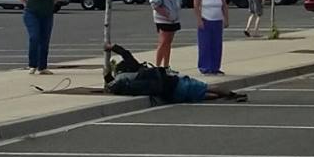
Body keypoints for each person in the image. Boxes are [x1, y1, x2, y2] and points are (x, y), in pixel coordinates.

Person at [103, 43, 247, 102]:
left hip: (169, 94)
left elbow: (112, 85)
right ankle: (232, 94)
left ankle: (220, 97)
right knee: (204, 87)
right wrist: (112, 47)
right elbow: (126, 53)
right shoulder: (138, 69)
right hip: (174, 82)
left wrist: (106, 75)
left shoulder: (123, 81)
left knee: (201, 95)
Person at [13, 0, 60, 75]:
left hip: (47, 14)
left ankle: (42, 67)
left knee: (45, 40)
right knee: (35, 37)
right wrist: (24, 1)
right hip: (32, 13)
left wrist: (54, 2)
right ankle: (32, 64)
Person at [194, 0, 229, 75]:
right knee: (205, 45)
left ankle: (215, 67)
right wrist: (199, 20)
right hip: (205, 20)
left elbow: (224, 5)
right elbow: (196, 6)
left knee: (217, 45)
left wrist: (226, 18)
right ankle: (205, 67)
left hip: (217, 21)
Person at [149, 0, 182, 69]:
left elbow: (178, 0)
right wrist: (166, 13)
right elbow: (154, 4)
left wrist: (174, 14)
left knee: (168, 43)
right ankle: (157, 67)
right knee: (163, 42)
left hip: (173, 19)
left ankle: (166, 66)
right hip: (162, 19)